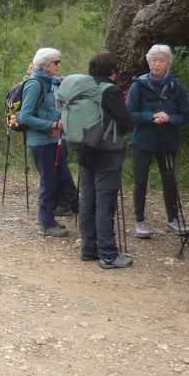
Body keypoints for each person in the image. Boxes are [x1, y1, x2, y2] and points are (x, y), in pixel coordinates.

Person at [75, 52, 136, 268]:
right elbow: (127, 122)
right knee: (104, 202)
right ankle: (108, 254)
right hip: (107, 151)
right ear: (112, 71)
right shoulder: (110, 91)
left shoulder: (82, 88)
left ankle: (88, 248)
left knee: (88, 198)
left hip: (84, 148)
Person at [126, 44, 189, 238]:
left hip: (168, 139)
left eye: (161, 60)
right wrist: (152, 117)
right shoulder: (138, 85)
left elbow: (185, 115)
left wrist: (169, 118)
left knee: (169, 180)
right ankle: (140, 220)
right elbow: (130, 114)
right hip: (142, 140)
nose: (156, 64)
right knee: (140, 181)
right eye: (153, 60)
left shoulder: (176, 86)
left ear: (168, 63)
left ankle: (173, 219)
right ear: (148, 62)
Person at [18, 48, 76, 237]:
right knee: (49, 180)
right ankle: (45, 222)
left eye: (59, 61)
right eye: (55, 62)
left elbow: (51, 109)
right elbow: (25, 116)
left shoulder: (49, 83)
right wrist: (50, 124)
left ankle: (47, 217)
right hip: (41, 141)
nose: (59, 65)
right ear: (44, 65)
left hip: (54, 139)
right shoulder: (35, 84)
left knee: (63, 179)